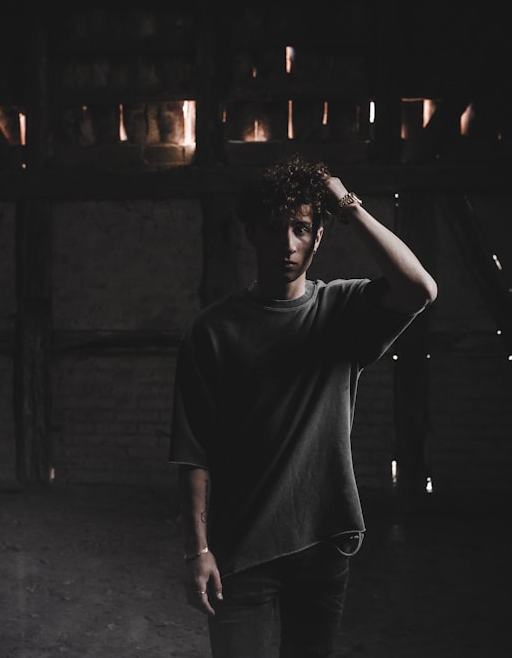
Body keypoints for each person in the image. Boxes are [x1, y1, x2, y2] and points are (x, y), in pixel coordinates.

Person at [169, 155, 437, 657]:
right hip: (239, 549)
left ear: (318, 236)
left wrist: (347, 204)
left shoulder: (341, 310)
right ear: (251, 233)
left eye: (301, 228)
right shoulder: (211, 332)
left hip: (322, 543)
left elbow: (420, 288)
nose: (288, 245)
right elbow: (193, 452)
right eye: (274, 229)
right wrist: (197, 551)